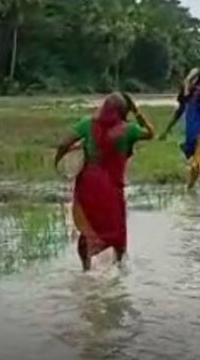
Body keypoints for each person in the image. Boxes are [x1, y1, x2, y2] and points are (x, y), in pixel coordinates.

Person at [55, 92, 155, 271]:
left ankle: (86, 269)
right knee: (116, 227)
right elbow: (150, 133)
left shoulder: (87, 124)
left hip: (88, 184)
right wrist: (137, 112)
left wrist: (58, 160)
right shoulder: (129, 129)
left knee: (88, 226)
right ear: (124, 111)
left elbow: (64, 143)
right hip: (112, 186)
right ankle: (119, 268)